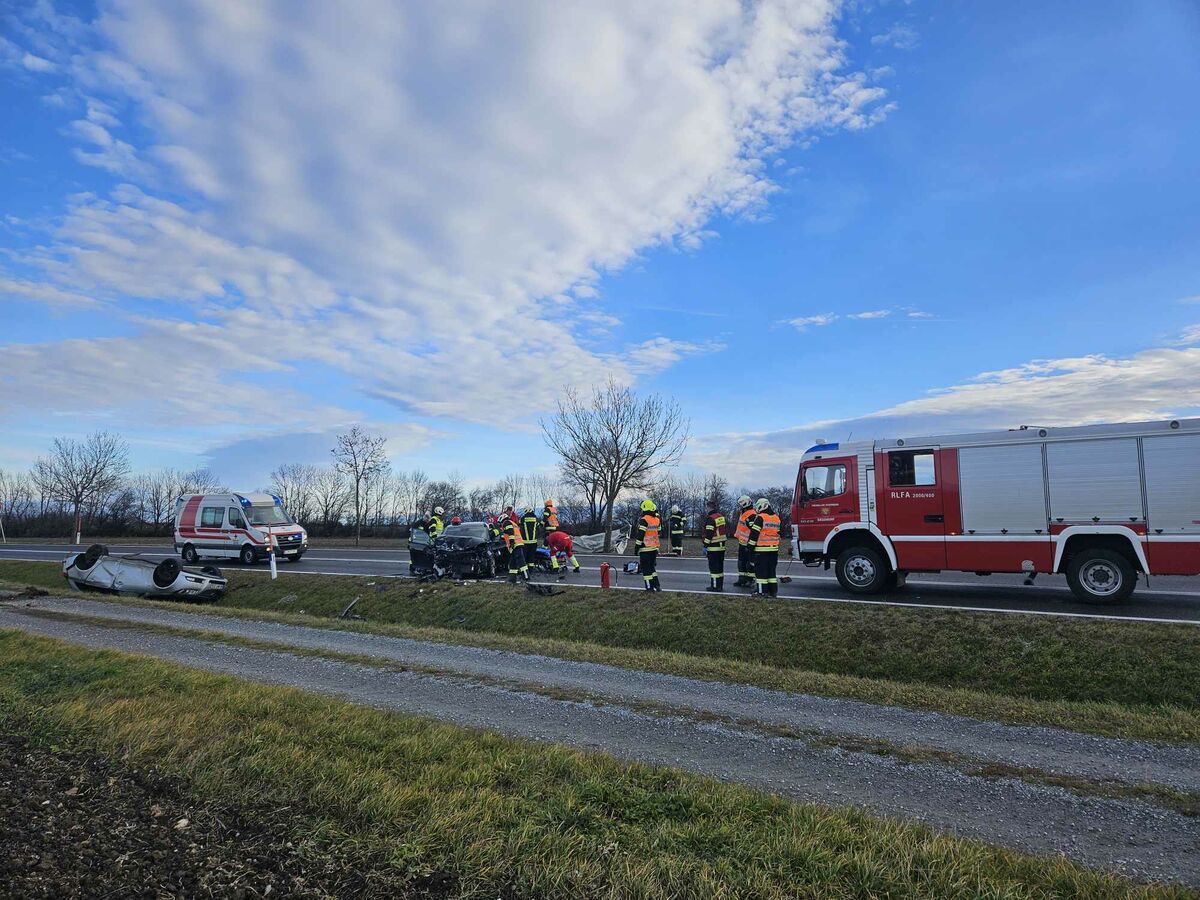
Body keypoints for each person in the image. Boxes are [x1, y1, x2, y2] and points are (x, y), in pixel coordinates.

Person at [747, 497, 781, 597]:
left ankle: (762, 592)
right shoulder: (776, 518)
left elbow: (754, 534)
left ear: (762, 506)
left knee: (761, 573)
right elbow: (779, 533)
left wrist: (750, 547)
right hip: (774, 550)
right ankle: (773, 592)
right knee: (771, 573)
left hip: (761, 550)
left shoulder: (760, 518)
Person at [632, 499, 662, 592]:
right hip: (654, 548)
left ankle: (649, 588)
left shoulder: (644, 520)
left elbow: (640, 535)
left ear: (644, 509)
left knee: (646, 570)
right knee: (652, 568)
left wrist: (636, 548)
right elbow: (659, 532)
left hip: (645, 549)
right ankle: (657, 586)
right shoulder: (657, 519)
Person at [702, 500, 727, 592]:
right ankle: (720, 585)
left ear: (709, 507)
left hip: (713, 546)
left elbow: (709, 533)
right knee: (720, 567)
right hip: (722, 545)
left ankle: (715, 586)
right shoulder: (721, 517)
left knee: (714, 568)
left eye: (706, 507)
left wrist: (705, 545)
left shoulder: (710, 518)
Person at [501, 505, 529, 583]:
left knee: (521, 562)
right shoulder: (512, 523)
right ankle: (512, 578)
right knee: (513, 563)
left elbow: (511, 533)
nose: (501, 525)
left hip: (515, 544)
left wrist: (512, 542)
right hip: (517, 544)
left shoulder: (506, 523)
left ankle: (526, 577)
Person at [733, 495, 755, 587]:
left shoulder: (752, 514)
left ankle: (750, 580)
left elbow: (754, 530)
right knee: (741, 562)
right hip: (742, 542)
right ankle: (742, 579)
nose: (739, 507)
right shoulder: (744, 513)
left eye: (740, 505)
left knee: (748, 563)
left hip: (748, 543)